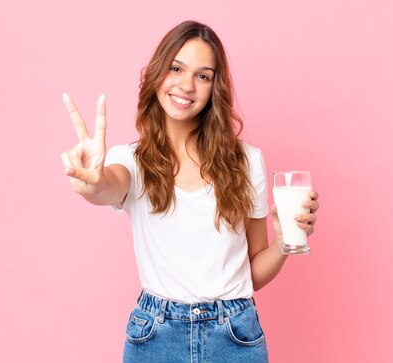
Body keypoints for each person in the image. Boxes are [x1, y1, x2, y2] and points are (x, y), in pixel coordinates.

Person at [60, 20, 320, 363]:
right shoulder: (132, 160)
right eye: (176, 68)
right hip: (155, 335)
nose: (186, 85)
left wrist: (284, 241)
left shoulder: (246, 160)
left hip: (235, 335)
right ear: (157, 75)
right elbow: (108, 186)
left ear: (215, 87)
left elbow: (253, 275)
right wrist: (92, 183)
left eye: (203, 75)